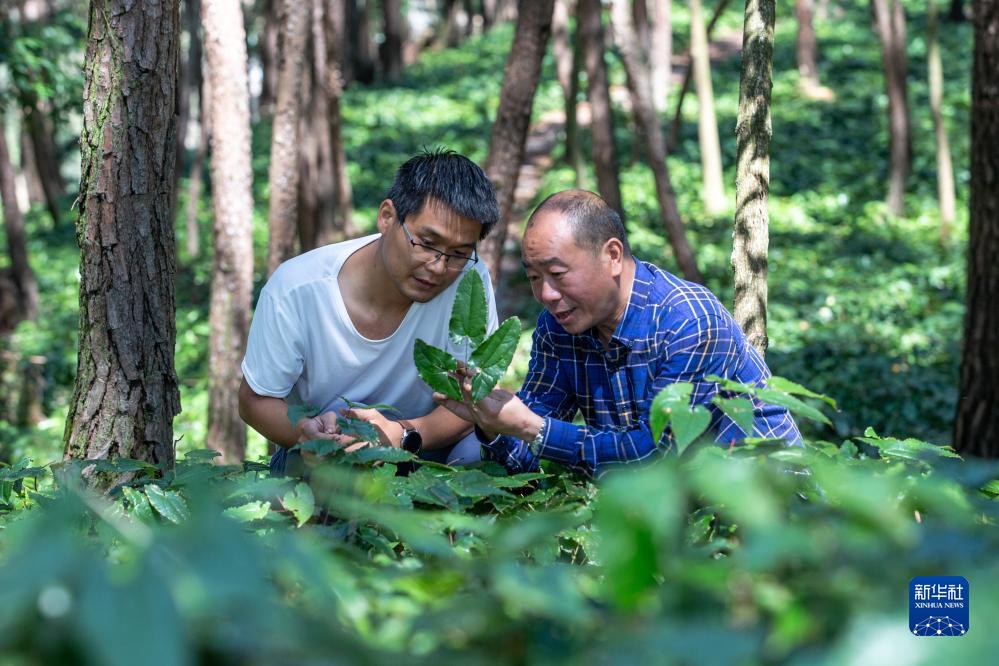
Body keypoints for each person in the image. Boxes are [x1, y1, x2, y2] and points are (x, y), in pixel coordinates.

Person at [435, 190, 801, 478]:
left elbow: (654, 456)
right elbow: (524, 462)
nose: (546, 294)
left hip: (767, 502)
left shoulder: (687, 321)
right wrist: (492, 423)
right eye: (534, 277)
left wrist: (533, 428)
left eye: (557, 274)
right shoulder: (558, 326)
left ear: (612, 255)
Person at [238, 149, 499, 474]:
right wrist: (306, 434)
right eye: (427, 242)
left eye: (459, 253)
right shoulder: (298, 289)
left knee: (491, 446)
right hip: (329, 449)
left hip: (424, 446)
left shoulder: (469, 280)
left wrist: (400, 435)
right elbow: (254, 400)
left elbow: (478, 397)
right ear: (387, 217)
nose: (438, 266)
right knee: (342, 416)